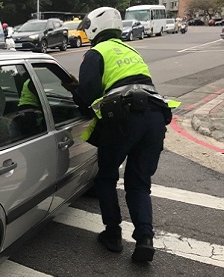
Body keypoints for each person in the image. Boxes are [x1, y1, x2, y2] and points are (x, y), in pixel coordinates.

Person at [61, 7, 179, 262]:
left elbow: (90, 97)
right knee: (139, 184)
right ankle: (145, 240)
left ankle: (113, 235)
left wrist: (75, 91)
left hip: (125, 118)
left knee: (106, 178)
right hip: (155, 116)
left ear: (95, 28)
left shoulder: (96, 53)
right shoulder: (130, 50)